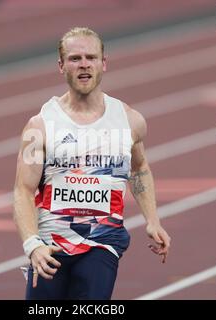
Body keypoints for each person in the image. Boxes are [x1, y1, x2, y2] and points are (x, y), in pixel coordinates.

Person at [13, 27, 171, 300]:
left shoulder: (129, 120)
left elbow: (139, 168)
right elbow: (23, 191)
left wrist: (153, 220)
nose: (84, 64)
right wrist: (32, 244)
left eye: (91, 57)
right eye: (75, 59)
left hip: (102, 243)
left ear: (103, 63)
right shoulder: (40, 126)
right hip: (51, 247)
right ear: (61, 66)